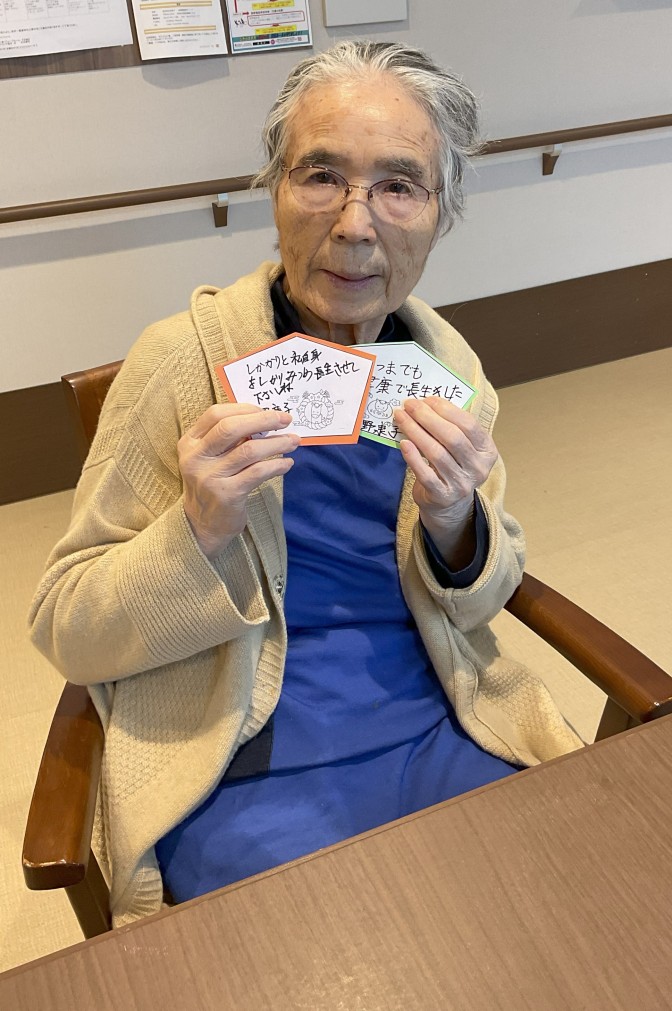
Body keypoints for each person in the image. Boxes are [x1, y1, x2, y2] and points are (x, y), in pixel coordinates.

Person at [29, 40, 582, 927]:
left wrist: (457, 525)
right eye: (322, 175)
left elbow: (488, 594)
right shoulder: (181, 364)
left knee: (552, 912)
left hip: (436, 716)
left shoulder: (450, 370)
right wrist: (196, 532)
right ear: (275, 191)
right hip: (235, 749)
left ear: (440, 215)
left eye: (399, 186)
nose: (356, 224)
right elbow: (67, 624)